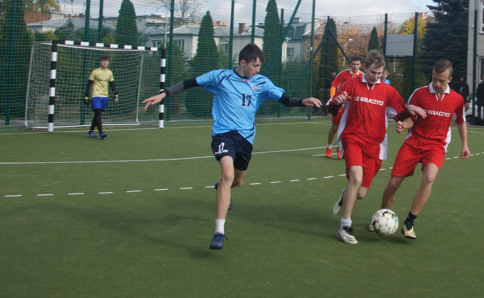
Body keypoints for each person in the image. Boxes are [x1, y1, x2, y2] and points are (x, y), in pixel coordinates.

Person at [141, 43, 322, 250]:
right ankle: (219, 232)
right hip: (223, 134)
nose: (257, 70)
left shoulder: (261, 82)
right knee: (227, 174)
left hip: (246, 139)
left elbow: (285, 100)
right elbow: (189, 83)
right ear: (242, 63)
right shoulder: (221, 77)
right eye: (254, 65)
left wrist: (303, 101)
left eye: (259, 66)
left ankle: (222, 188)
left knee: (238, 181)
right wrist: (163, 94)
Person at [328, 50, 421, 245]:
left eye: (380, 73)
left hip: (375, 145)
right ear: (365, 68)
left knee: (360, 192)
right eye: (372, 72)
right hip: (352, 138)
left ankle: (346, 195)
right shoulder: (352, 84)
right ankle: (345, 226)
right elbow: (332, 108)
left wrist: (406, 119)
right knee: (356, 177)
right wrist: (336, 103)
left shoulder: (388, 91)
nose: (376, 77)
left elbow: (401, 113)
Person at [380, 59, 470, 240]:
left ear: (450, 79)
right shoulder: (420, 94)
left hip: (436, 145)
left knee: (429, 178)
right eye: (434, 79)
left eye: (441, 81)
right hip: (414, 143)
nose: (437, 84)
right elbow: (412, 118)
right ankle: (382, 215)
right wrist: (404, 125)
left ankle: (409, 222)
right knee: (393, 184)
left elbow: (460, 121)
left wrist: (465, 145)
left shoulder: (457, 100)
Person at [325, 55, 363, 159]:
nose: (355, 66)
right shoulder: (344, 74)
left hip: (352, 106)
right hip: (340, 105)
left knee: (346, 129)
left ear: (360, 65)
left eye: (357, 64)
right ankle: (329, 147)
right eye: (353, 64)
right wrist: (334, 99)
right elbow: (334, 86)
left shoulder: (362, 76)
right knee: (335, 127)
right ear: (350, 64)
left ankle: (340, 149)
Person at [84, 54, 118, 140]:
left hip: (105, 96)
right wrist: (86, 95)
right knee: (98, 113)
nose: (105, 63)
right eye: (103, 61)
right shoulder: (95, 72)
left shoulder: (109, 72)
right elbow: (89, 84)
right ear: (100, 62)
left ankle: (91, 131)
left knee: (97, 115)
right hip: (96, 95)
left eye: (106, 61)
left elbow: (112, 84)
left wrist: (115, 94)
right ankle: (101, 133)